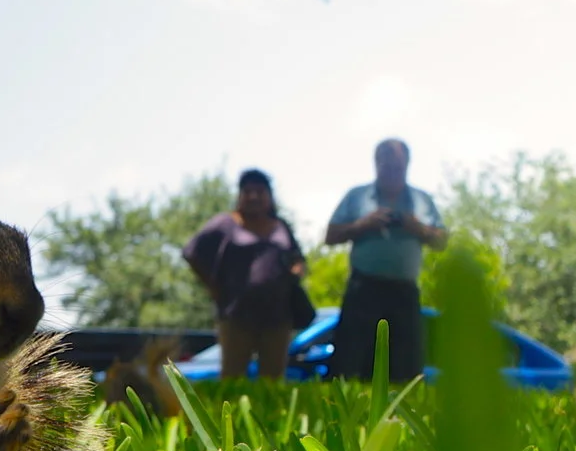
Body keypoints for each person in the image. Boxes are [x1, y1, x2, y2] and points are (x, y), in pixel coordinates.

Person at [325, 138, 446, 382]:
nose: (392, 173)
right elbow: (330, 236)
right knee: (351, 359)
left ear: (407, 165)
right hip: (364, 290)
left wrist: (417, 228)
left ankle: (403, 411)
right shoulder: (357, 196)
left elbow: (441, 241)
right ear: (376, 164)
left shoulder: (422, 201)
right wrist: (363, 224)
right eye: (386, 167)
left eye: (398, 168)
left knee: (406, 363)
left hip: (404, 292)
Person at [181, 170, 308, 380]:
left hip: (278, 314)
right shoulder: (225, 223)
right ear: (240, 196)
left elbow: (297, 258)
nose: (254, 197)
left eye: (260, 191)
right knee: (232, 376)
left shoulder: (281, 226)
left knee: (273, 379)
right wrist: (212, 285)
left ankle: (272, 413)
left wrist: (297, 270)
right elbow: (191, 252)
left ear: (269, 196)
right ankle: (227, 412)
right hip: (236, 314)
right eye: (247, 191)